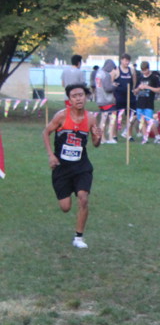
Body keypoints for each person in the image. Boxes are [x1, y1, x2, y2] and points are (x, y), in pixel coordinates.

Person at [42, 83, 103, 248]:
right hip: (62, 167)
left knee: (83, 198)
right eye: (74, 96)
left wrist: (98, 137)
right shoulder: (61, 116)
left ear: (86, 97)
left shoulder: (91, 118)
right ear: (69, 100)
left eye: (81, 95)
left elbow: (96, 143)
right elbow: (45, 132)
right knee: (65, 207)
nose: (78, 99)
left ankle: (78, 238)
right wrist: (51, 155)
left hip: (82, 166)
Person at [133, 61, 160, 142]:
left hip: (149, 103)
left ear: (148, 69)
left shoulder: (154, 78)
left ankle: (158, 137)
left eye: (145, 70)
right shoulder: (140, 78)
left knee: (149, 120)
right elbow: (135, 91)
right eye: (142, 70)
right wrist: (138, 88)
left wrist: (148, 87)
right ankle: (145, 138)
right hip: (140, 102)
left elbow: (159, 90)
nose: (144, 72)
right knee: (141, 120)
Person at [110, 53, 136, 139]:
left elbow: (134, 81)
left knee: (131, 116)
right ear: (121, 60)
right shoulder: (116, 70)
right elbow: (110, 82)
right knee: (116, 116)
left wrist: (133, 89)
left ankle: (129, 134)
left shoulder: (131, 70)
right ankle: (114, 135)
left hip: (130, 97)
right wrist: (113, 85)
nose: (126, 62)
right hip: (119, 97)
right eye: (125, 60)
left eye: (128, 61)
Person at [94, 59, 118, 144]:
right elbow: (108, 88)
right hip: (108, 100)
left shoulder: (98, 73)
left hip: (100, 100)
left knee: (103, 120)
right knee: (112, 119)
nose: (112, 70)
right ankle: (110, 138)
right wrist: (114, 86)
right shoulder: (106, 75)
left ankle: (102, 138)